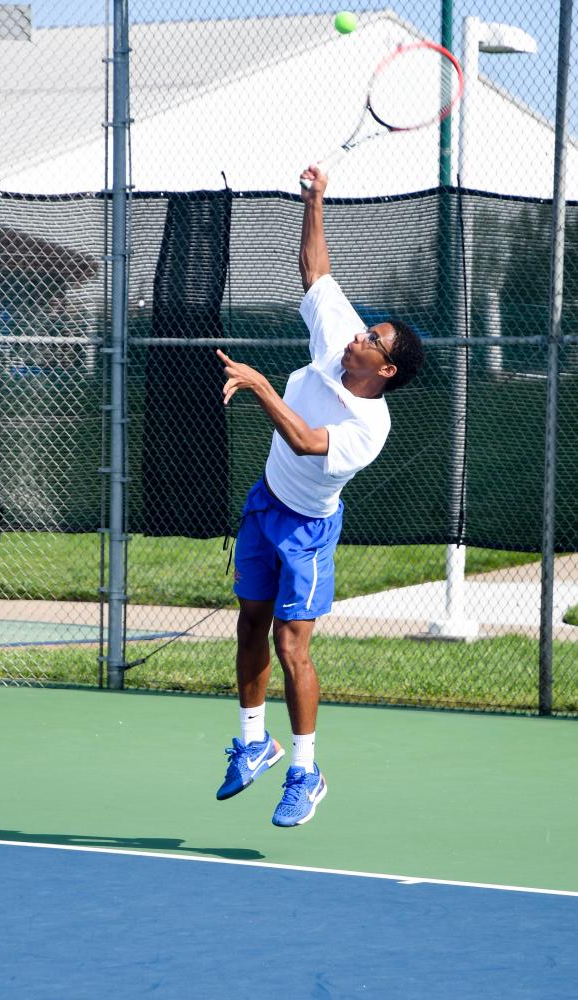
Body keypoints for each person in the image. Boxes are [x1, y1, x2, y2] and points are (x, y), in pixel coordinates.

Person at [215, 164, 424, 827]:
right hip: (264, 502)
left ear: (383, 370)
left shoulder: (368, 427)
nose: (358, 336)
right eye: (365, 330)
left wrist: (260, 388)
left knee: (291, 644)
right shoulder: (339, 341)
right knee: (249, 623)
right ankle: (254, 743)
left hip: (306, 529)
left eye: (371, 340)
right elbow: (316, 274)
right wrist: (315, 202)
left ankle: (305, 770)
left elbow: (307, 441)